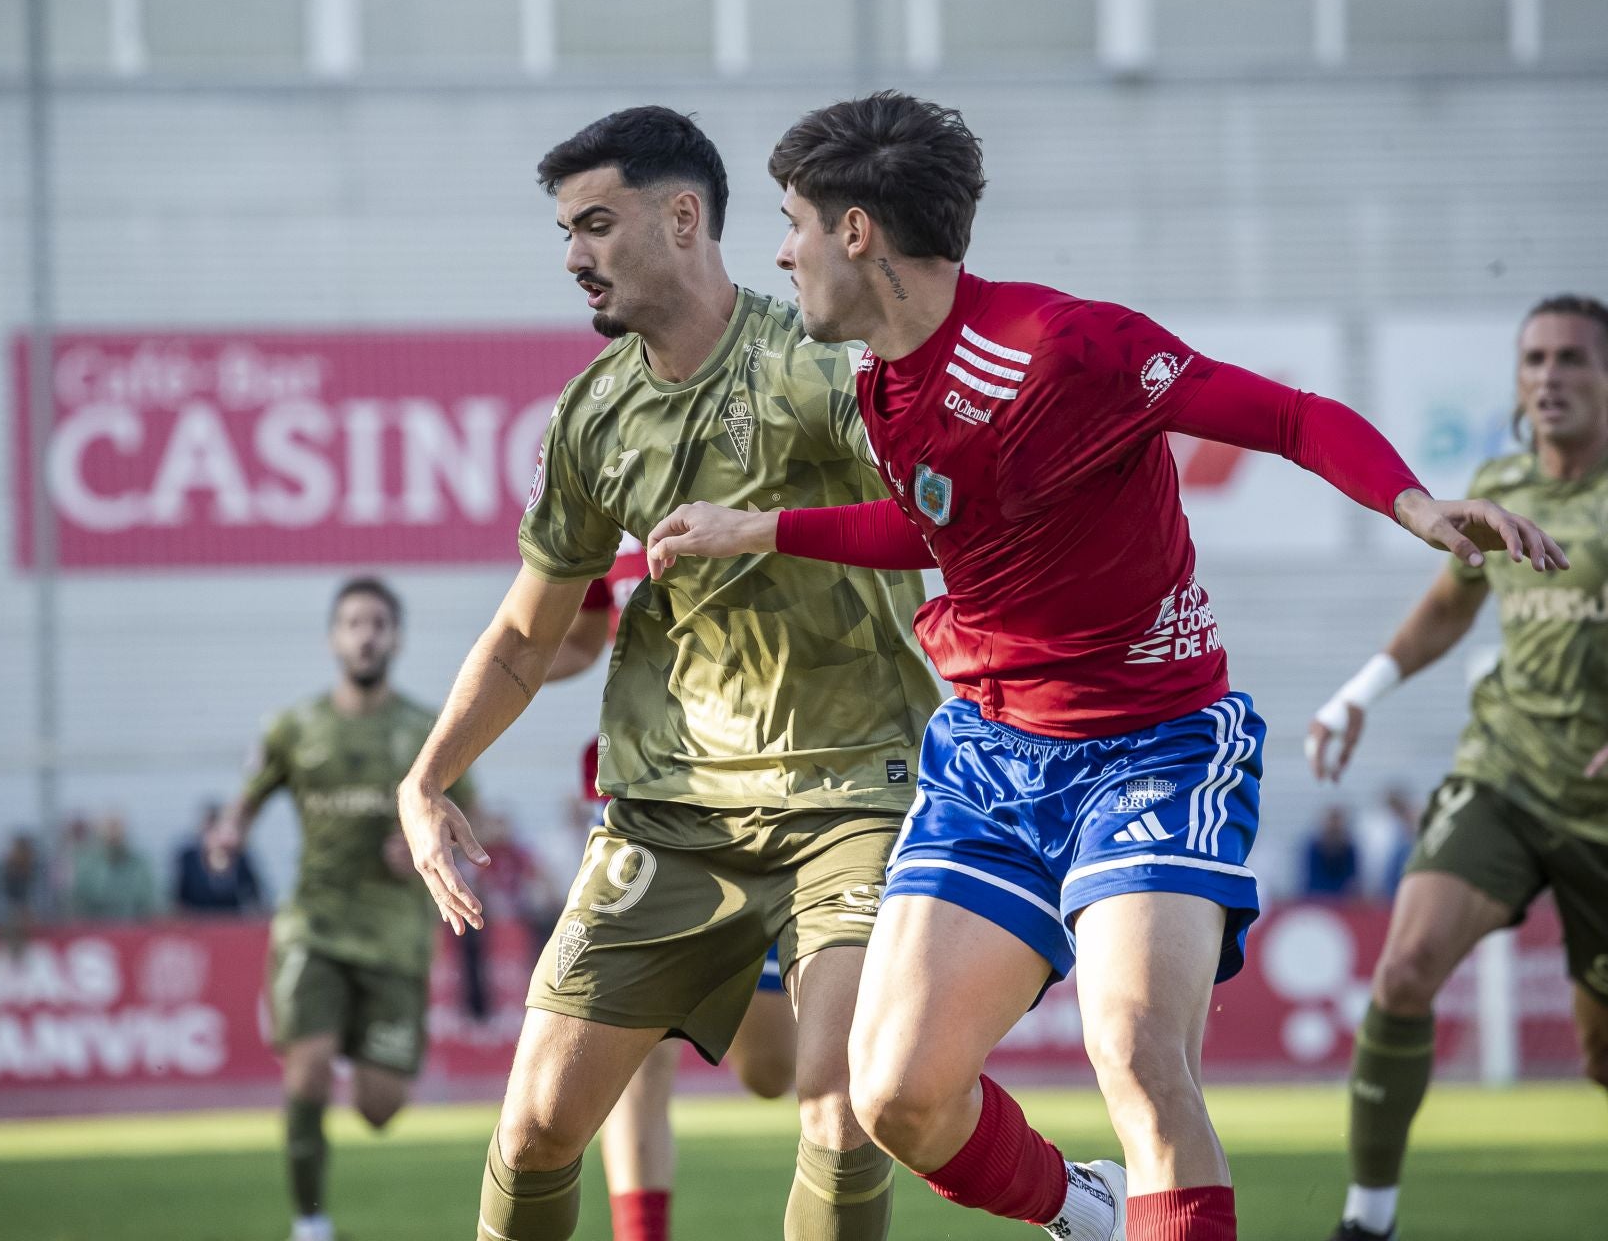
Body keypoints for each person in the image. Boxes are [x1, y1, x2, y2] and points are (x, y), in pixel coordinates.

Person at [644, 92, 1565, 1241]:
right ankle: (1089, 1209)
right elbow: (943, 531)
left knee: (1136, 1051)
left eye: (791, 221)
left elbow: (1285, 413)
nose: (779, 251)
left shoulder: (1069, 346)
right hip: (989, 754)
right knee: (893, 1096)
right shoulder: (881, 386)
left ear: (858, 231)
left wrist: (1412, 502)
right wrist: (764, 527)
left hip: (1155, 743)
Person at [396, 105, 955, 1241]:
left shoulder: (815, 366)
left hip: (856, 789)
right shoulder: (591, 419)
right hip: (668, 810)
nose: (574, 256)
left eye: (596, 224)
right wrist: (429, 774)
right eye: (566, 232)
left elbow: (943, 516)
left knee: (842, 1110)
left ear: (684, 217)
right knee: (538, 1127)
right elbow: (521, 634)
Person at [1304, 294, 1608, 1241]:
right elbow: (1448, 606)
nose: (1550, 376)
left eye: (1572, 359)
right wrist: (1358, 690)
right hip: (1505, 776)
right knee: (1402, 973)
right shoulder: (1502, 481)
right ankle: (1368, 1221)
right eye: (1535, 360)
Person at [544, 540, 798, 1241]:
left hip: (761, 807)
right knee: (635, 1054)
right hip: (638, 803)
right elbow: (576, 638)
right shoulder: (598, 482)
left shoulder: (757, 460)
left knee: (772, 1071)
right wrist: (507, 662)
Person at [216, 577, 477, 1241]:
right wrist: (228, 833)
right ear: (335, 638)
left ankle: (349, 1045)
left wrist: (426, 840)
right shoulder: (293, 727)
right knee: (306, 1069)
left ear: (397, 639)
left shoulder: (428, 732)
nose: (366, 635)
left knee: (380, 1108)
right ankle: (310, 1223)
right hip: (315, 924)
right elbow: (246, 798)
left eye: (378, 624)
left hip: (395, 937)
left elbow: (476, 826)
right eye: (354, 623)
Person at [175, 802, 266, 915]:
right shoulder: (189, 859)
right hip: (197, 924)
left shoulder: (241, 859)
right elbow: (180, 901)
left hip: (233, 925)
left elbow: (254, 898)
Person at [69, 812, 158, 921]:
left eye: (118, 831)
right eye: (110, 831)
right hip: (95, 926)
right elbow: (80, 899)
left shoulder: (140, 863)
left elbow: (148, 899)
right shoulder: (87, 865)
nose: (114, 836)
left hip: (133, 926)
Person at [1301, 807, 1361, 899]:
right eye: (1332, 822)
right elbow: (1313, 877)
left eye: (1337, 822)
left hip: (1342, 898)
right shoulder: (1314, 846)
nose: (1334, 826)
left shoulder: (1349, 847)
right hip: (1319, 895)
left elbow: (1351, 877)